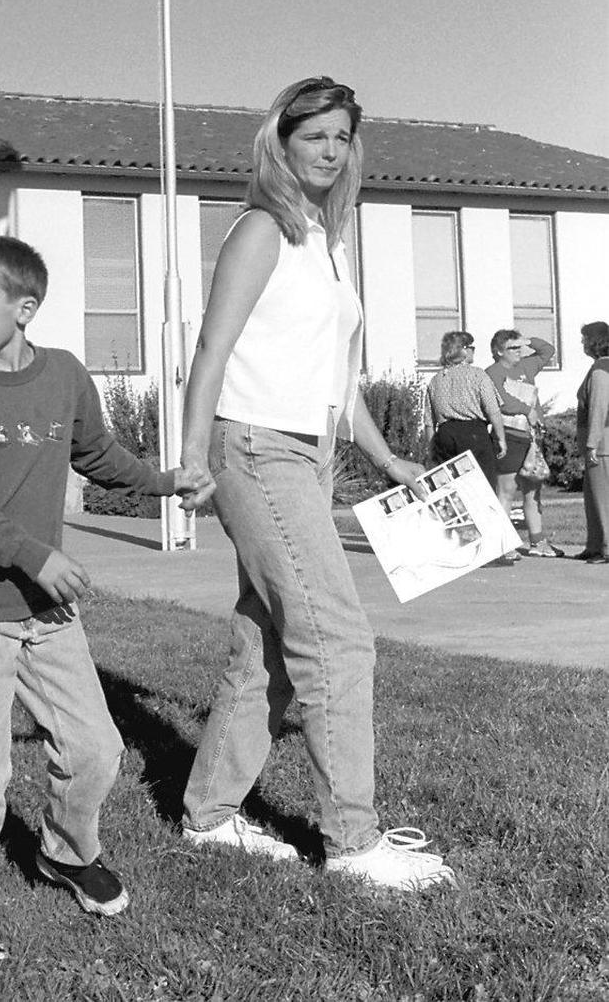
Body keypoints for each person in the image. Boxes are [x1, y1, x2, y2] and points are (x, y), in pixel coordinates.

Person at [178, 76, 456, 894]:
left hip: (302, 450)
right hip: (254, 449)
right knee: (338, 639)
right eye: (315, 137)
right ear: (281, 143)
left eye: (342, 137)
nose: (330, 151)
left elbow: (340, 380)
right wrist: (195, 460)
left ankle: (209, 816)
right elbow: (211, 352)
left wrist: (392, 463)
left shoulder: (328, 243)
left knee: (264, 644)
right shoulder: (261, 229)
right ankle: (354, 842)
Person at [0, 235, 205, 969]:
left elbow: (97, 454)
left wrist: (167, 482)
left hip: (44, 613)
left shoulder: (66, 375)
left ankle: (66, 854)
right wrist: (37, 555)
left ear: (24, 307)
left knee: (95, 748)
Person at [485, 330, 564, 557]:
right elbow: (500, 400)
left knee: (533, 489)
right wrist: (526, 409)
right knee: (507, 489)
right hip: (508, 435)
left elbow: (548, 350)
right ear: (498, 351)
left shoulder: (527, 366)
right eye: (513, 348)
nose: (519, 352)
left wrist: (528, 340)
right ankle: (502, 544)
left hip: (530, 437)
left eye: (520, 347)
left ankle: (537, 542)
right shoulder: (493, 372)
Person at [422, 331, 507, 486]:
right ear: (463, 350)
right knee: (482, 486)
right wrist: (501, 438)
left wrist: (432, 450)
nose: (474, 351)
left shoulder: (435, 381)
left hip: (445, 436)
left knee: (452, 486)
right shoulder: (477, 375)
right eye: (472, 347)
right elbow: (492, 410)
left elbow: (429, 422)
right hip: (473, 434)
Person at [574, 320, 609, 565]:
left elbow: (598, 408)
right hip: (602, 441)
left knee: (602, 497)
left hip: (603, 444)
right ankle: (594, 544)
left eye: (585, 339)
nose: (583, 343)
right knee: (592, 496)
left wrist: (592, 443)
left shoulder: (600, 370)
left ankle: (605, 546)